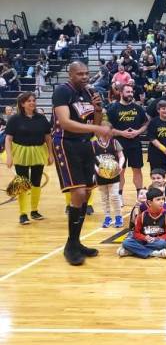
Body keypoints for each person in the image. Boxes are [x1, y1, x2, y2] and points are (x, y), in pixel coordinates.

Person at [52, 61, 112, 265]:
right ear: (70, 75)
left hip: (84, 144)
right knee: (77, 192)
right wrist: (97, 130)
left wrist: (97, 110)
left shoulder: (89, 92)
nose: (85, 77)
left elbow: (94, 124)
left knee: (86, 192)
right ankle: (70, 245)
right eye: (80, 74)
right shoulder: (62, 91)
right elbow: (66, 123)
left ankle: (76, 242)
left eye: (87, 73)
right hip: (65, 143)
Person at [4, 92, 53, 224]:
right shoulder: (14, 119)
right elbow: (8, 139)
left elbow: (48, 138)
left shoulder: (41, 118)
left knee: (36, 182)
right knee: (22, 182)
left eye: (33, 100)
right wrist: (9, 156)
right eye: (29, 101)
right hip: (21, 152)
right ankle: (23, 213)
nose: (32, 102)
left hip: (38, 151)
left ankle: (34, 210)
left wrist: (50, 154)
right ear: (22, 104)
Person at [106, 83, 148, 193]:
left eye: (131, 92)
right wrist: (121, 133)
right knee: (120, 170)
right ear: (121, 93)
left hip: (135, 143)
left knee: (137, 170)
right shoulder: (112, 108)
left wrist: (138, 131)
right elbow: (106, 128)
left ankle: (140, 194)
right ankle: (119, 196)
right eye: (127, 92)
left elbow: (146, 123)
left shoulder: (138, 108)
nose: (130, 94)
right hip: (119, 144)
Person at [117, 188, 166, 259]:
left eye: (162, 199)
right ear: (149, 202)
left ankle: (131, 251)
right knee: (126, 242)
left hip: (156, 241)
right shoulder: (142, 216)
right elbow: (136, 233)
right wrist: (145, 238)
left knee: (162, 244)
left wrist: (156, 238)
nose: (161, 202)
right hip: (144, 240)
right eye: (158, 199)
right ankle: (153, 253)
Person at [92, 131, 125, 228]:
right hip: (100, 175)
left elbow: (121, 156)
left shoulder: (114, 142)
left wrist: (120, 165)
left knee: (114, 196)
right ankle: (107, 217)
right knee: (104, 197)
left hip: (114, 174)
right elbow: (90, 159)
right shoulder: (93, 144)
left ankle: (118, 216)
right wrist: (97, 169)